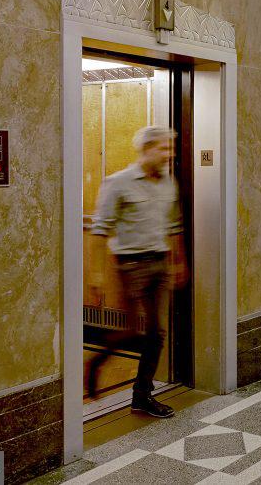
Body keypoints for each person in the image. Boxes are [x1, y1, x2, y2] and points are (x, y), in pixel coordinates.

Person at [86, 125, 187, 418]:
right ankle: (100, 365)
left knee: (154, 333)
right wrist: (96, 276)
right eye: (163, 148)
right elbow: (100, 230)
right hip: (129, 265)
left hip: (158, 262)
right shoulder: (118, 183)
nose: (169, 155)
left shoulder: (169, 182)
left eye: (171, 148)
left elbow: (174, 226)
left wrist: (179, 261)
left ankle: (140, 396)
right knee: (138, 332)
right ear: (146, 150)